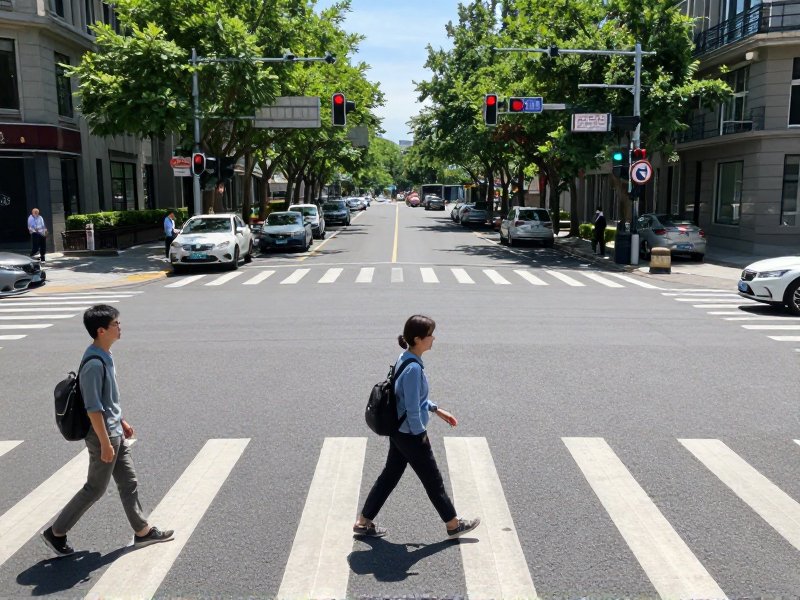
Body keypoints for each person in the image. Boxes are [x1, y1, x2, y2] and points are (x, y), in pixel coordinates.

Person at [40, 305, 174, 557]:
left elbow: (107, 398)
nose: (120, 327)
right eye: (116, 324)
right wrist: (105, 442)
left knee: (129, 481)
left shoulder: (105, 354)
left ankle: (142, 531)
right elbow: (93, 408)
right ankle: (56, 533)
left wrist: (121, 421)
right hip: (102, 434)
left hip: (113, 431)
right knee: (95, 488)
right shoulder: (94, 363)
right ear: (101, 331)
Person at [353, 315, 481, 541]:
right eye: (430, 335)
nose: (434, 338)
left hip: (399, 431)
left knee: (389, 476)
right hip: (410, 434)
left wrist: (436, 409)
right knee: (433, 480)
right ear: (418, 339)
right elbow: (412, 408)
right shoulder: (413, 369)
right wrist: (420, 434)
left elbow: (409, 399)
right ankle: (453, 525)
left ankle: (363, 522)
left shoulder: (406, 358)